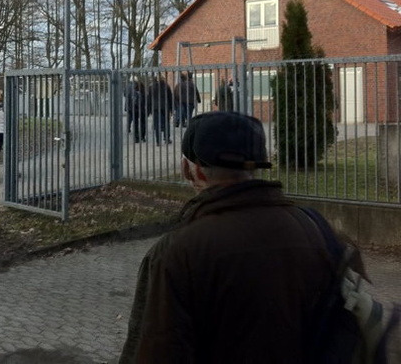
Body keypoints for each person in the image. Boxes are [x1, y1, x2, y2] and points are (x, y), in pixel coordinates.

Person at [119, 111, 365, 363]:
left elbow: (156, 350)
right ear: (260, 164)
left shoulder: (176, 254)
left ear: (190, 171)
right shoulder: (320, 232)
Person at [146, 75, 173, 145]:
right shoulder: (166, 86)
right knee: (166, 123)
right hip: (165, 107)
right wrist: (172, 109)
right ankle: (167, 138)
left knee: (157, 124)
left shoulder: (151, 87)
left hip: (155, 107)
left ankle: (158, 141)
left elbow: (149, 99)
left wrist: (148, 110)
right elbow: (170, 98)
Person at [126, 79, 147, 143]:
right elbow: (147, 102)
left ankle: (136, 138)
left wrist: (128, 108)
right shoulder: (144, 93)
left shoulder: (132, 92)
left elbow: (128, 100)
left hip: (134, 109)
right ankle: (142, 136)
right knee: (143, 123)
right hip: (142, 110)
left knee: (135, 124)